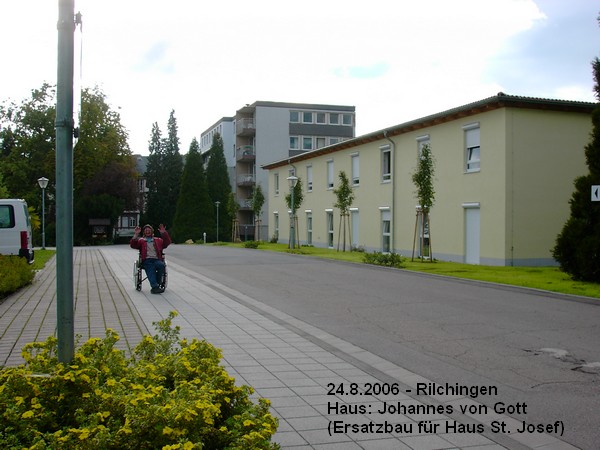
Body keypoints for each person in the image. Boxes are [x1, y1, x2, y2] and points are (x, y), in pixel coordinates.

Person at [130, 223, 171, 294]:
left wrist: (164, 233)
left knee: (161, 265)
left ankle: (157, 283)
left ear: (152, 231)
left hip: (156, 259)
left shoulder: (158, 240)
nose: (147, 231)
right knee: (150, 267)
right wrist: (136, 235)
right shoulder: (141, 241)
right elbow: (133, 245)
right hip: (147, 260)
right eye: (146, 230)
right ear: (144, 232)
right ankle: (154, 287)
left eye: (149, 230)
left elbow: (167, 243)